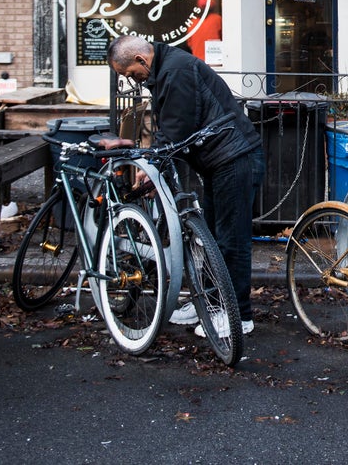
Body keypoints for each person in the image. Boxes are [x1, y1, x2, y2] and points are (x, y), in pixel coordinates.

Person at [105, 34, 264, 336]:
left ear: (141, 60)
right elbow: (171, 130)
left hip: (234, 158)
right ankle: (209, 301)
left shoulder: (175, 71)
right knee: (212, 240)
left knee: (231, 241)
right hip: (221, 160)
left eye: (130, 74)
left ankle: (238, 317)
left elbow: (177, 129)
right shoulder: (166, 69)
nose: (132, 81)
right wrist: (156, 165)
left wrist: (153, 167)